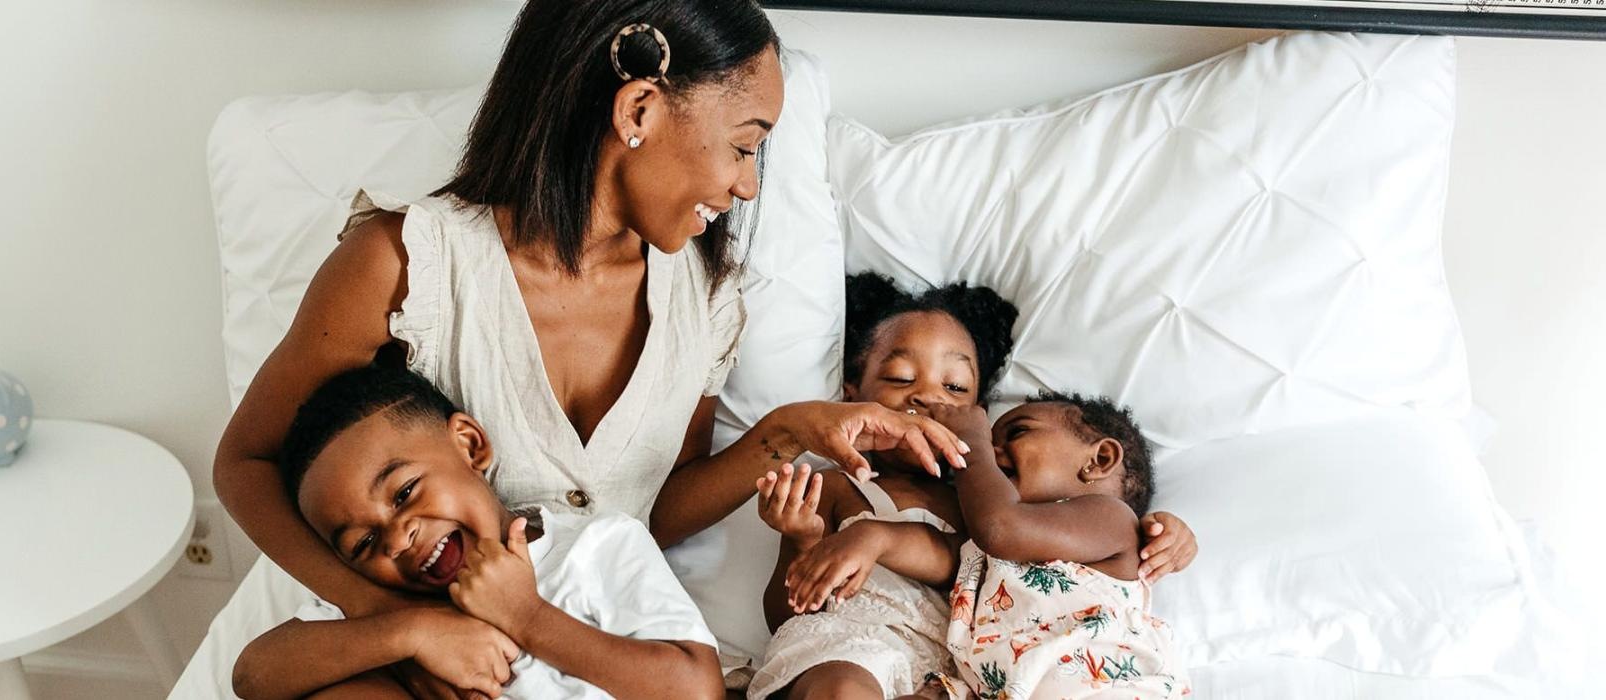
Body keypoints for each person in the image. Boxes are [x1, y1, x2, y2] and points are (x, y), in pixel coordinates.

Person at [213, 3, 965, 696]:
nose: (744, 186)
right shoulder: (407, 264)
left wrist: (791, 432)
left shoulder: (703, 300)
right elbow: (245, 463)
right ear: (638, 108)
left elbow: (647, 513)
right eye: (743, 147)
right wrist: (398, 622)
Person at [745, 273, 1196, 700]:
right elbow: (789, 620)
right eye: (901, 378)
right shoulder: (834, 486)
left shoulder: (987, 506)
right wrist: (800, 540)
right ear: (851, 397)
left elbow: (990, 535)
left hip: (971, 670)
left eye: (956, 388)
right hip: (869, 652)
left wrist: (1165, 531)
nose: (928, 397)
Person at [231, 364, 722, 700]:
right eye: (363, 544)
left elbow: (697, 690)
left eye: (404, 494)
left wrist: (526, 616)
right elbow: (254, 674)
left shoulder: (596, 547)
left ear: (469, 445)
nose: (398, 540)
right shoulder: (382, 608)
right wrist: (414, 633)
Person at [931, 394, 1190, 699]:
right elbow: (944, 556)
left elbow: (1000, 528)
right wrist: (876, 538)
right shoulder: (988, 543)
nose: (993, 451)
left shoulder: (1112, 520)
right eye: (989, 441)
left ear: (1099, 459)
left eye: (1017, 433)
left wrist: (971, 444)